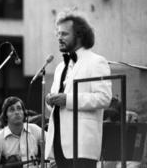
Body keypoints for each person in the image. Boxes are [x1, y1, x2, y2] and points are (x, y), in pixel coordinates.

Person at [45, 9, 112, 168]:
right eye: (58, 34)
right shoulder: (60, 67)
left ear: (79, 35)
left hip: (82, 144)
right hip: (59, 144)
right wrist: (50, 100)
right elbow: (57, 105)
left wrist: (66, 99)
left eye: (64, 34)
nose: (59, 38)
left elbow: (104, 98)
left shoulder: (96, 61)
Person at [0, 96, 43, 168]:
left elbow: (52, 150)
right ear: (5, 116)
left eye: (19, 108)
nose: (16, 112)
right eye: (12, 110)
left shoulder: (35, 129)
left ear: (24, 112)